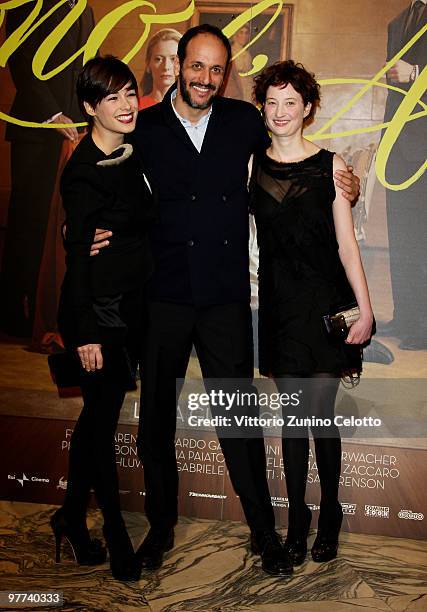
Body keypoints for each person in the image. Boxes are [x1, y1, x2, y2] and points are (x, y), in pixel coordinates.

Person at [92, 24, 360, 576]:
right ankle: (161, 527)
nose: (205, 79)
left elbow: (294, 155)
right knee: (156, 423)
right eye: (197, 67)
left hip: (223, 301)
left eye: (217, 70)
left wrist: (344, 179)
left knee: (238, 420)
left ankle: (264, 532)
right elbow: (105, 179)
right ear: (176, 67)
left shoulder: (243, 121)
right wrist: (92, 228)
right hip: (162, 298)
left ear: (226, 72)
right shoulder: (145, 125)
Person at [251, 60, 374, 565]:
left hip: (325, 306)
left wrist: (365, 311)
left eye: (291, 103)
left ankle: (330, 515)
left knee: (318, 415)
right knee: (291, 419)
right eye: (272, 102)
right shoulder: (249, 165)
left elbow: (347, 245)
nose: (281, 112)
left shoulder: (332, 166)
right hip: (279, 308)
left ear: (308, 109)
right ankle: (297, 517)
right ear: (263, 108)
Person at [51, 56, 153, 582]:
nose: (126, 104)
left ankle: (70, 515)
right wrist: (87, 333)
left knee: (95, 420)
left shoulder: (134, 153)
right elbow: (76, 257)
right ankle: (114, 531)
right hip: (96, 314)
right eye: (111, 97)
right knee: (101, 420)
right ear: (90, 107)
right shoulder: (83, 170)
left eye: (130, 92)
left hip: (131, 308)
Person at [0, 0, 94, 337]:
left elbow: (80, 69)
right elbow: (20, 61)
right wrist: (52, 115)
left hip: (72, 133)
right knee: (29, 222)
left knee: (58, 225)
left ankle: (46, 312)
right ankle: (12, 314)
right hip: (36, 132)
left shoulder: (84, 7)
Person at [376, 0, 427, 350]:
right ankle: (406, 316)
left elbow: (412, 74)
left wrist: (415, 74)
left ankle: (422, 325)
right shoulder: (398, 21)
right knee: (403, 237)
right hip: (398, 146)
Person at [139, 28, 182, 109]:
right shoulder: (135, 108)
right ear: (148, 64)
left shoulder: (192, 108)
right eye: (158, 59)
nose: (166, 67)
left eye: (173, 59)